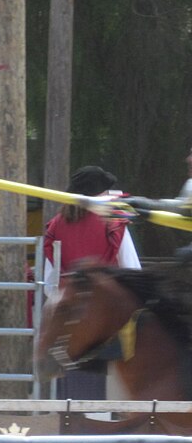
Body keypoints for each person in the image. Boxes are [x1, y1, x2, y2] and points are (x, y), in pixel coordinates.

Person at [43, 166, 141, 400]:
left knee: (74, 387)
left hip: (69, 319)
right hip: (107, 316)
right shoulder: (114, 220)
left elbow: (50, 284)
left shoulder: (55, 225)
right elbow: (133, 269)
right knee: (111, 390)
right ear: (100, 194)